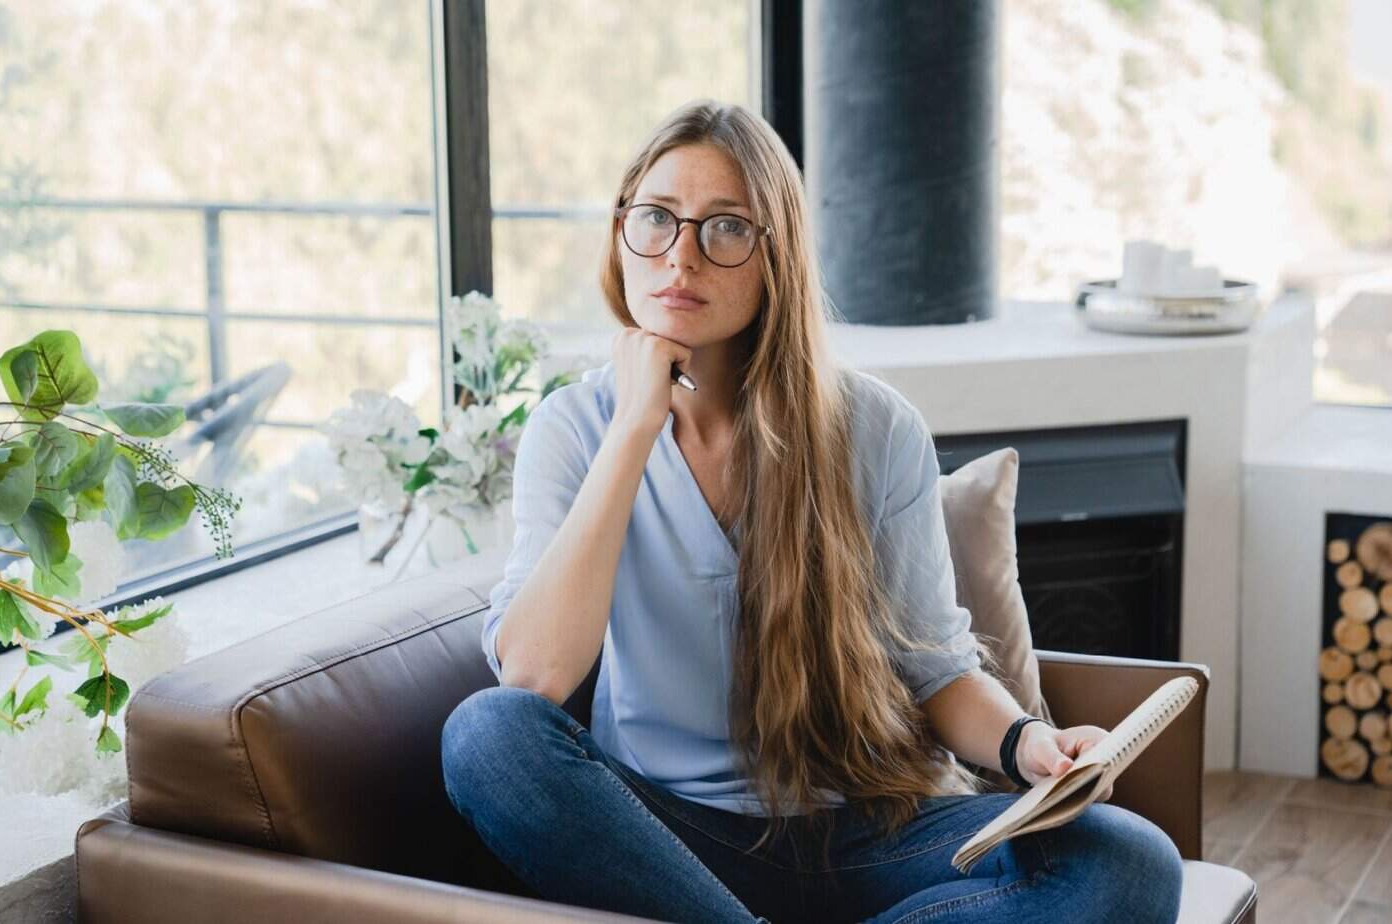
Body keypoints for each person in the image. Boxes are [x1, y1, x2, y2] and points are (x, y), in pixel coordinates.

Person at [440, 99, 1184, 924]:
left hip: (863, 832)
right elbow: (535, 678)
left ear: (775, 256)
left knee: (1129, 862)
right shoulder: (573, 427)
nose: (679, 257)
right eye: (656, 218)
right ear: (622, 232)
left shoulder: (874, 427)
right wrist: (633, 429)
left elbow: (935, 670)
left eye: (724, 228)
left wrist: (1027, 745)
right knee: (487, 737)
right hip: (666, 842)